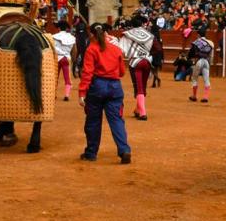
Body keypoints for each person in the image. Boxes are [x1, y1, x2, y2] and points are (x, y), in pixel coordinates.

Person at [79, 23, 132, 164]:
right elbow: (121, 72)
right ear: (105, 33)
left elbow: (87, 73)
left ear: (92, 34)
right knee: (117, 120)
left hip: (97, 87)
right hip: (115, 87)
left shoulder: (91, 49)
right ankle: (124, 149)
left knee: (93, 121)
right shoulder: (116, 49)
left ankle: (91, 152)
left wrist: (82, 92)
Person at [118, 16, 154, 120]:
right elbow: (156, 48)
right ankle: (138, 109)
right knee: (143, 86)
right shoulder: (149, 35)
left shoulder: (127, 35)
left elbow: (121, 49)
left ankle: (143, 113)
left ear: (132, 25)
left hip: (135, 62)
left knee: (138, 88)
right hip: (147, 61)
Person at [52, 20, 77, 102]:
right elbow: (74, 51)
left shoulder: (54, 36)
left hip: (56, 58)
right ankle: (66, 94)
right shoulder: (72, 37)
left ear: (58, 28)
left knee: (55, 78)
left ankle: (54, 94)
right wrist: (74, 60)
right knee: (67, 78)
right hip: (66, 58)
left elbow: (52, 49)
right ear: (66, 28)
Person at [188, 29, 214, 103]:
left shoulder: (196, 42)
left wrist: (191, 59)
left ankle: (194, 96)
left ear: (198, 35)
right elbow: (211, 56)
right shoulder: (210, 43)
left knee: (195, 78)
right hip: (206, 61)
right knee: (206, 79)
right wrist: (210, 63)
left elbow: (190, 54)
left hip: (199, 61)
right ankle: (205, 97)